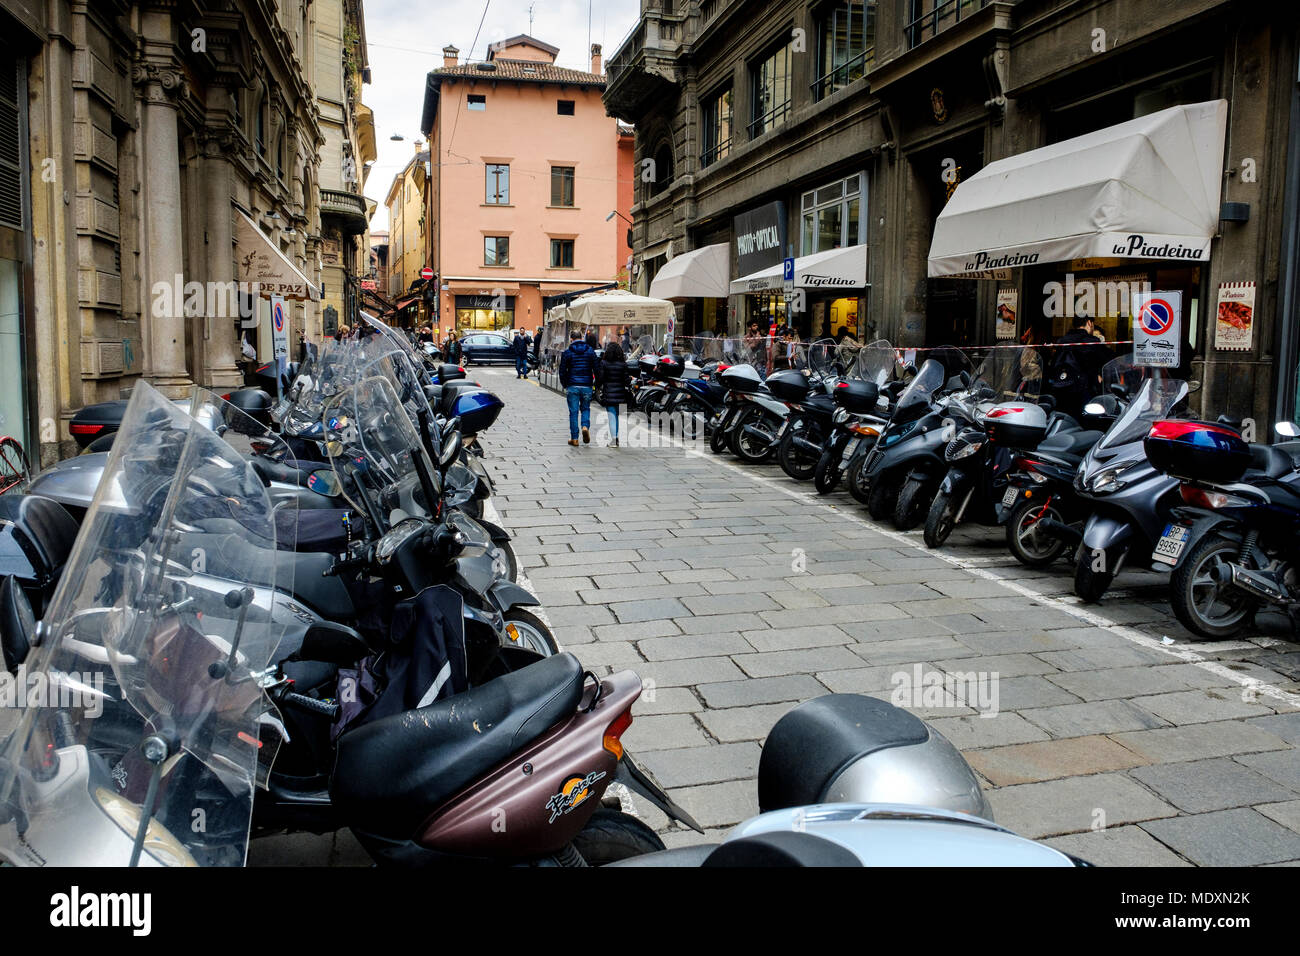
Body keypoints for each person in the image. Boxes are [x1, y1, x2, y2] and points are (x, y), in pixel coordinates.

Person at [1048, 314, 1113, 418]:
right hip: (1084, 389)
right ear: (1089, 323)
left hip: (1061, 388)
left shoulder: (1062, 341)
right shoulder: (1091, 341)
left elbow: (1054, 364)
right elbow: (1106, 361)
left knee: (1065, 417)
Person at [559, 329, 597, 446]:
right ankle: (585, 426)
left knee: (573, 412)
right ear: (582, 337)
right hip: (586, 385)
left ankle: (574, 438)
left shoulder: (567, 352)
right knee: (585, 408)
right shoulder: (590, 351)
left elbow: (562, 371)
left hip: (573, 386)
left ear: (571, 339)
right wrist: (596, 384)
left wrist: (565, 384)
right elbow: (597, 368)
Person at [596, 339, 631, 448]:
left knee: (612, 417)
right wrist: (630, 379)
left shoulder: (604, 363)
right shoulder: (623, 364)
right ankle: (616, 437)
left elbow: (600, 378)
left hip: (609, 394)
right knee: (615, 417)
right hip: (620, 395)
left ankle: (614, 440)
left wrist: (596, 386)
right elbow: (626, 381)